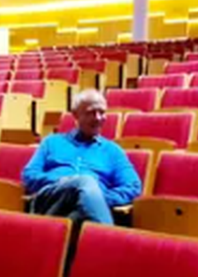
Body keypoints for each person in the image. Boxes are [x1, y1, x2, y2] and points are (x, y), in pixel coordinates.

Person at [22, 89, 142, 225]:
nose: (98, 118)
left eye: (102, 112)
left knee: (78, 216)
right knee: (85, 181)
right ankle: (108, 241)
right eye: (91, 112)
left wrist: (93, 197)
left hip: (78, 210)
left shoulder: (113, 151)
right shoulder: (52, 142)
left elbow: (132, 186)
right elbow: (29, 175)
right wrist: (68, 182)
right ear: (76, 115)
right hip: (50, 201)